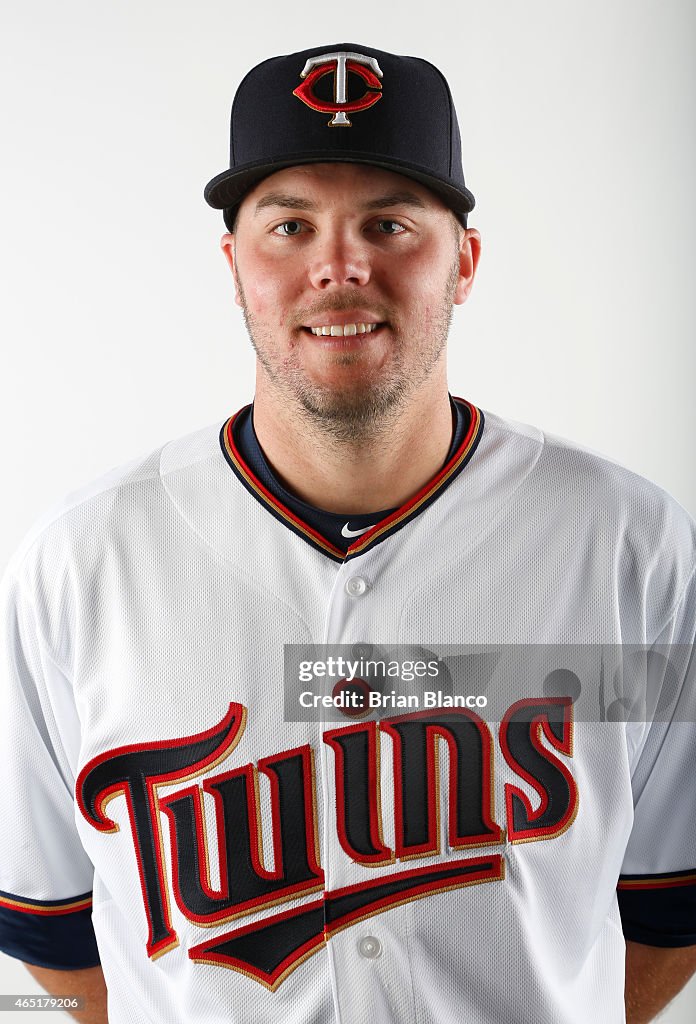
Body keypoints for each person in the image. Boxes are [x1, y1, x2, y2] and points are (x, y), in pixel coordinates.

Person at [1, 41, 695, 1024]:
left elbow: (669, 909)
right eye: (289, 225)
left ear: (464, 263)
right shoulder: (78, 566)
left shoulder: (631, 547)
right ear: (235, 266)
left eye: (390, 223)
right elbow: (55, 933)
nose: (340, 266)